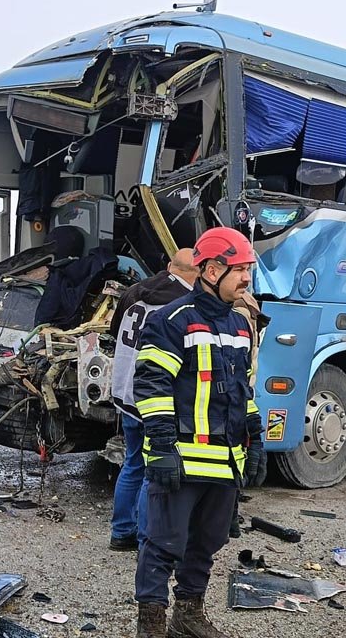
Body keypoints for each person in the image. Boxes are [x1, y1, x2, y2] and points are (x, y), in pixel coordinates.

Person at [132, 227, 262, 638]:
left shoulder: (240, 326)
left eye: (248, 270)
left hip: (225, 464)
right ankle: (151, 627)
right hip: (181, 460)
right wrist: (162, 448)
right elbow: (151, 386)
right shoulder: (171, 320)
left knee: (207, 544)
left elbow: (242, 390)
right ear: (211, 270)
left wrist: (256, 438)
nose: (246, 279)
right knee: (162, 545)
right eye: (239, 270)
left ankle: (187, 616)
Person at [107, 248, 196, 552]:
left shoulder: (134, 291)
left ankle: (121, 531)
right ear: (196, 273)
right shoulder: (183, 304)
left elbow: (113, 332)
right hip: (156, 398)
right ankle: (148, 540)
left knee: (133, 462)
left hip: (126, 391)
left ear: (170, 266)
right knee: (153, 469)